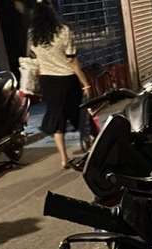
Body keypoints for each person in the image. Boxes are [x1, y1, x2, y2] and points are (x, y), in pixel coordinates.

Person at [29, 0, 91, 169]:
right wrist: (85, 83)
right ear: (53, 14)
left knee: (57, 118)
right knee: (78, 112)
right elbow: (72, 60)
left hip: (48, 82)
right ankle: (89, 143)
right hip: (67, 80)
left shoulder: (33, 35)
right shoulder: (63, 31)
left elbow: (34, 59)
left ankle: (64, 158)